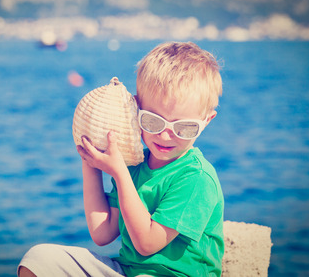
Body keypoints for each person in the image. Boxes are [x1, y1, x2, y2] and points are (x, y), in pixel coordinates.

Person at [18, 42, 224, 277]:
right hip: (126, 271)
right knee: (38, 260)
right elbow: (102, 233)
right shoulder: (135, 166)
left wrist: (119, 173)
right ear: (136, 108)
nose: (166, 135)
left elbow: (146, 243)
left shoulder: (196, 178)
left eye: (185, 127)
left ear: (206, 121)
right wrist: (90, 161)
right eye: (153, 121)